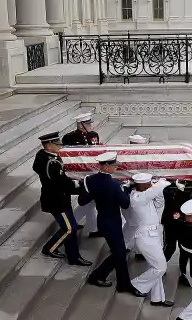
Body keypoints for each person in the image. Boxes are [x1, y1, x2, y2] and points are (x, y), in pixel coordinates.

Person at [84, 152, 145, 297]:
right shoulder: (114, 185)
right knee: (120, 253)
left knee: (119, 252)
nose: (116, 168)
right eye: (114, 166)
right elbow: (125, 204)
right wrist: (126, 190)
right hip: (112, 224)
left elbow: (82, 200)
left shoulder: (90, 180)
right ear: (106, 167)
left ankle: (110, 279)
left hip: (102, 221)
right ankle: (114, 281)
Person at [32, 132, 91, 266]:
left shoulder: (42, 155)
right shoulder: (52, 163)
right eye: (56, 144)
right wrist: (79, 186)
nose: (59, 146)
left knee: (71, 226)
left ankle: (73, 255)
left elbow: (37, 168)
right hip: (58, 201)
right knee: (69, 229)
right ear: (48, 145)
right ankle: (52, 249)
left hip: (56, 197)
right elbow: (62, 184)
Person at [127, 172, 173, 307]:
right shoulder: (137, 198)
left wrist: (158, 188)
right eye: (147, 184)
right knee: (160, 267)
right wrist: (163, 181)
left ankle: (157, 299)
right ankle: (135, 284)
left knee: (155, 267)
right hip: (146, 237)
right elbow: (156, 189)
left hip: (153, 235)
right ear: (139, 185)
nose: (150, 186)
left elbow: (159, 202)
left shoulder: (145, 196)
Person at [64, 114, 101, 237]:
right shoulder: (69, 138)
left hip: (91, 173)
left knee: (90, 200)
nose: (91, 125)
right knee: (89, 200)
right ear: (80, 125)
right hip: (79, 175)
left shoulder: (94, 135)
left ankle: (89, 227)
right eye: (88, 124)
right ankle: (80, 224)